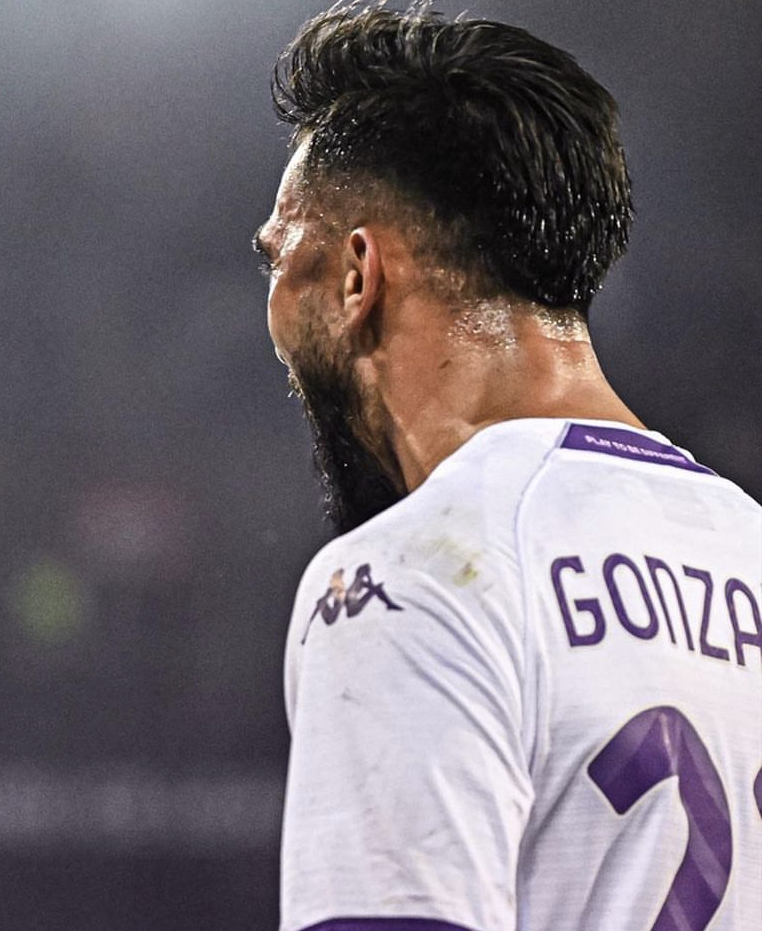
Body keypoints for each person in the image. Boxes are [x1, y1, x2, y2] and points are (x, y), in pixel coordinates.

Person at [254, 5, 761, 931]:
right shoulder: (750, 543)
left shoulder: (415, 574)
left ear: (359, 275)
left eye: (279, 257)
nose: (274, 305)